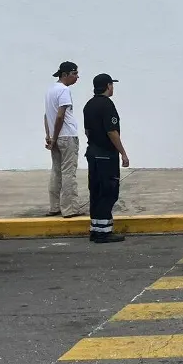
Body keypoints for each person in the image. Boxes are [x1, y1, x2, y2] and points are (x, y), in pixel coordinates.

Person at [83, 74, 128, 243]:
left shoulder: (89, 105)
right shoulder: (107, 105)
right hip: (106, 156)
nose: (113, 88)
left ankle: (96, 228)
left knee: (95, 191)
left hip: (93, 153)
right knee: (108, 192)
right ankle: (104, 232)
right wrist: (122, 152)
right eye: (112, 85)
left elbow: (87, 131)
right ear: (108, 86)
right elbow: (112, 131)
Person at [45, 61, 85, 218]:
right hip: (66, 136)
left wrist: (49, 136)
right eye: (74, 74)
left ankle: (55, 206)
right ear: (65, 75)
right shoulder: (63, 91)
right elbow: (60, 116)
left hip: (56, 137)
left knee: (56, 171)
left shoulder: (50, 90)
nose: (76, 77)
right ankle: (70, 209)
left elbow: (46, 115)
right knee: (69, 173)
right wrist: (54, 137)